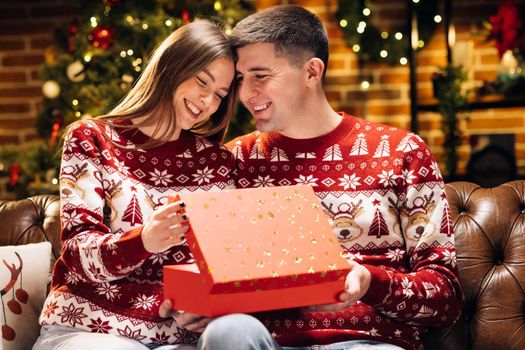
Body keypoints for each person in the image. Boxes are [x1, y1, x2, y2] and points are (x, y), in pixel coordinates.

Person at [160, 5, 464, 350]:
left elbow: (446, 299)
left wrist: (370, 284)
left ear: (312, 71)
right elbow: (203, 272)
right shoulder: (234, 160)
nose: (245, 95)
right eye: (241, 79)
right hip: (261, 341)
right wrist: (193, 306)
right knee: (227, 333)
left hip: (366, 342)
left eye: (261, 75)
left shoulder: (402, 152)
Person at [33, 20, 236, 350]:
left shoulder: (216, 163)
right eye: (202, 81)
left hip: (175, 337)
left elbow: (223, 265)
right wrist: (144, 240)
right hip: (90, 330)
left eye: (219, 95)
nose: (207, 101)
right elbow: (77, 253)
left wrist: (204, 307)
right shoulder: (92, 139)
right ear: (172, 66)